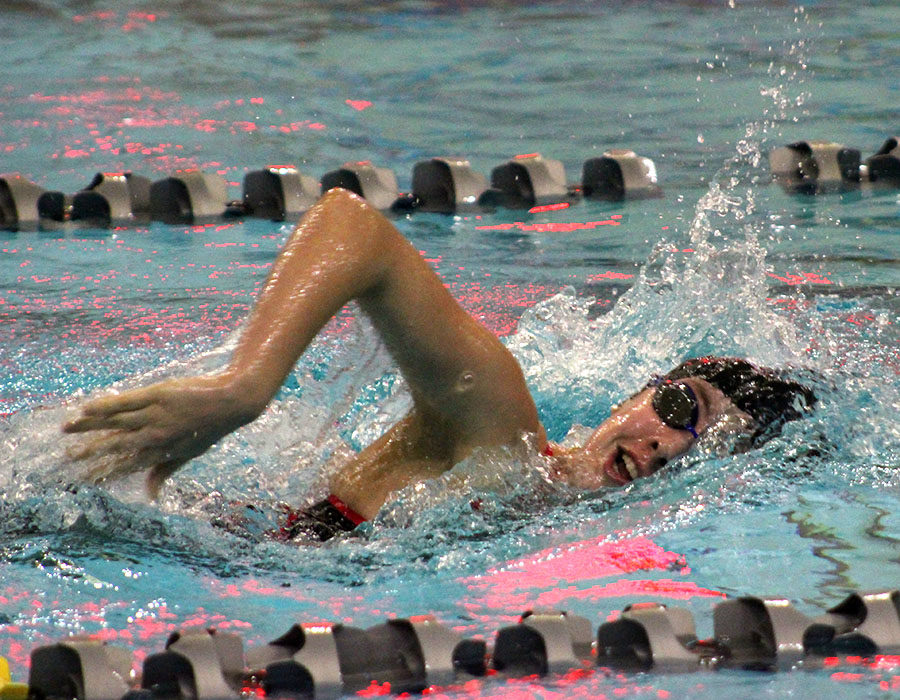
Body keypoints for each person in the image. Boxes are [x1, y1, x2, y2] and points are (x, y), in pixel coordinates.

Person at [63, 188, 814, 539]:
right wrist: (246, 388)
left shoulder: (554, 530)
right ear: (637, 393)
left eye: (704, 446)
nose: (668, 444)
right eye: (682, 410)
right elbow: (353, 225)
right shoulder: (505, 436)